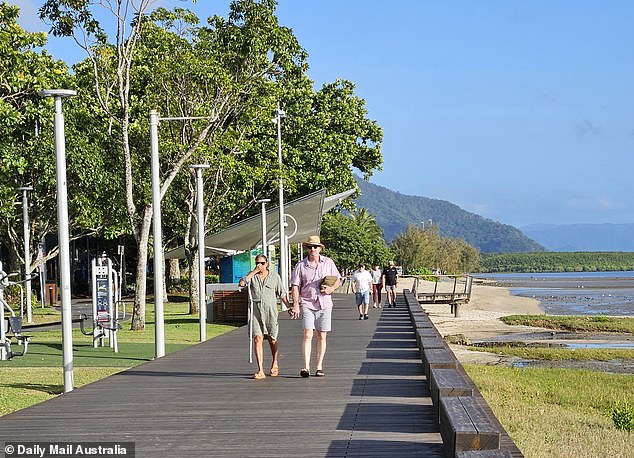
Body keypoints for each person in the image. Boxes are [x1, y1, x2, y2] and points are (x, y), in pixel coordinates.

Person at [290, 235, 341, 378]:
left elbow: (338, 280)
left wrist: (331, 289)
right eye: (310, 247)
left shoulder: (328, 262)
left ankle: (319, 366)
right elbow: (295, 286)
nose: (313, 249)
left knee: (321, 335)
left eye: (315, 247)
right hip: (307, 302)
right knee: (308, 334)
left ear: (320, 248)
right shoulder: (301, 265)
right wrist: (295, 305)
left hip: (324, 302)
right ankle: (306, 367)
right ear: (307, 249)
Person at [239, 254, 290, 380]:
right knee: (258, 338)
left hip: (271, 312)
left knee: (272, 339)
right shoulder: (252, 276)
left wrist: (289, 306)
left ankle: (275, 362)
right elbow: (241, 283)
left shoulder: (274, 277)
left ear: (267, 263)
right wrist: (253, 272)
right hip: (256, 312)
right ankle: (260, 370)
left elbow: (282, 293)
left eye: (262, 263)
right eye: (257, 263)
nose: (259, 265)